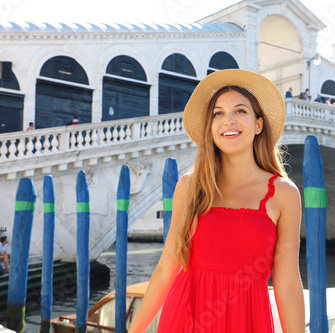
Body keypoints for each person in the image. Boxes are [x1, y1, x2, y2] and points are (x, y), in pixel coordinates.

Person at [128, 69, 304, 333]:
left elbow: (288, 284)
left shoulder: (284, 194)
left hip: (247, 321)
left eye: (240, 111)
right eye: (218, 113)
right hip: (184, 318)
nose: (228, 120)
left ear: (258, 125)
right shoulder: (189, 187)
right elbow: (166, 269)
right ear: (210, 128)